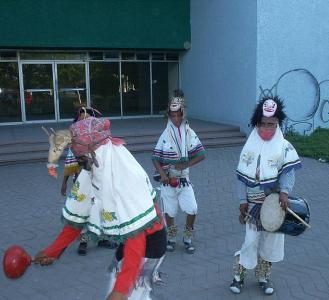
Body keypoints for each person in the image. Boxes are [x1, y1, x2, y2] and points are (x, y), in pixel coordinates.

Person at [36, 112, 166, 299]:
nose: (79, 163)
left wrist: (120, 291)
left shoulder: (124, 174)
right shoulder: (94, 167)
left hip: (150, 243)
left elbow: (136, 236)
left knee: (129, 292)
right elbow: (78, 217)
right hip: (130, 243)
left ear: (94, 151)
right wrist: (53, 251)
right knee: (125, 285)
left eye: (80, 157)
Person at [230, 96, 301, 295]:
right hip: (253, 204)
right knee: (250, 241)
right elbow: (240, 177)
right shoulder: (249, 146)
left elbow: (288, 173)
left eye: (272, 124)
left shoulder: (284, 146)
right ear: (257, 123)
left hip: (273, 205)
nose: (267, 128)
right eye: (263, 124)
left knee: (271, 243)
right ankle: (238, 276)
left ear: (278, 123)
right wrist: (242, 201)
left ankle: (263, 277)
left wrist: (285, 193)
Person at [152, 90, 206, 254]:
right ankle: (172, 238)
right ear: (169, 115)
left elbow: (202, 154)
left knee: (192, 209)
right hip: (168, 181)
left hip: (184, 180)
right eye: (172, 115)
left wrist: (186, 165)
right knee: (169, 211)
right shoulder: (165, 134)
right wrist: (162, 175)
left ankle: (188, 237)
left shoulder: (190, 133)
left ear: (183, 114)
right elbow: (155, 157)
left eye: (178, 115)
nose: (176, 118)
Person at [60, 107, 117, 256]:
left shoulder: (101, 138)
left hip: (100, 181)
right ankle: (83, 241)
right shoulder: (77, 141)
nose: (87, 122)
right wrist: (65, 183)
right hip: (83, 182)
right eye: (83, 120)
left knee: (102, 208)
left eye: (89, 119)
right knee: (85, 209)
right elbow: (70, 163)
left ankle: (102, 238)